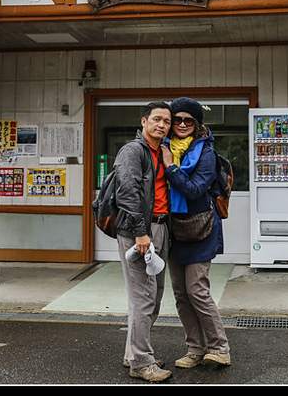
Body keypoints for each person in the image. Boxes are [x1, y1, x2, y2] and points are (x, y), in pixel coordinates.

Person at [163, 97, 231, 368]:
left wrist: (171, 168)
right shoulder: (163, 147)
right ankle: (195, 349)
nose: (182, 124)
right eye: (177, 120)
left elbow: (194, 190)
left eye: (188, 120)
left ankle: (220, 348)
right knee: (181, 294)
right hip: (174, 229)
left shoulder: (206, 153)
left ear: (197, 123)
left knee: (197, 291)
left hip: (201, 227)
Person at [113, 100, 173, 382]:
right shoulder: (133, 151)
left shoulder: (160, 152)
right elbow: (127, 192)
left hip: (159, 226)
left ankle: (133, 354)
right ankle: (141, 362)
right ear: (144, 121)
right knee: (144, 297)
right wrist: (140, 232)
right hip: (139, 230)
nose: (162, 125)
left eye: (167, 121)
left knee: (154, 295)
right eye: (157, 119)